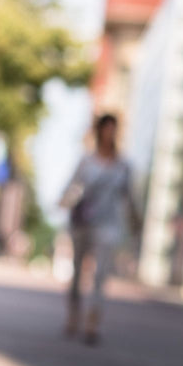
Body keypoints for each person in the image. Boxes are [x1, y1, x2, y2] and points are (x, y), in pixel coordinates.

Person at [59, 113, 139, 345]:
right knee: (77, 271)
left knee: (101, 275)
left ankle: (93, 321)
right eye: (106, 128)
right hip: (83, 222)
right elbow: (71, 187)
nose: (110, 133)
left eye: (114, 129)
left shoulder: (124, 165)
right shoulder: (86, 161)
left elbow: (129, 197)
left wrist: (136, 222)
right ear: (99, 131)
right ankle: (73, 315)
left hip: (109, 224)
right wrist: (63, 201)